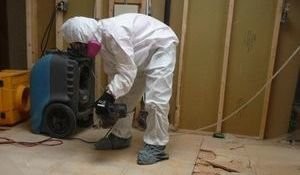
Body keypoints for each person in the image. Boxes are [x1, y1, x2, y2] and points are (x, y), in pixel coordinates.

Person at [61, 13, 179, 165]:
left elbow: (127, 73)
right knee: (124, 97)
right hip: (139, 56)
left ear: (84, 37)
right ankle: (121, 136)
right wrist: (109, 96)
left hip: (161, 46)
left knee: (156, 100)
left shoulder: (113, 34)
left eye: (78, 45)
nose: (79, 50)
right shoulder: (102, 41)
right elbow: (115, 74)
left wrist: (108, 95)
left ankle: (157, 146)